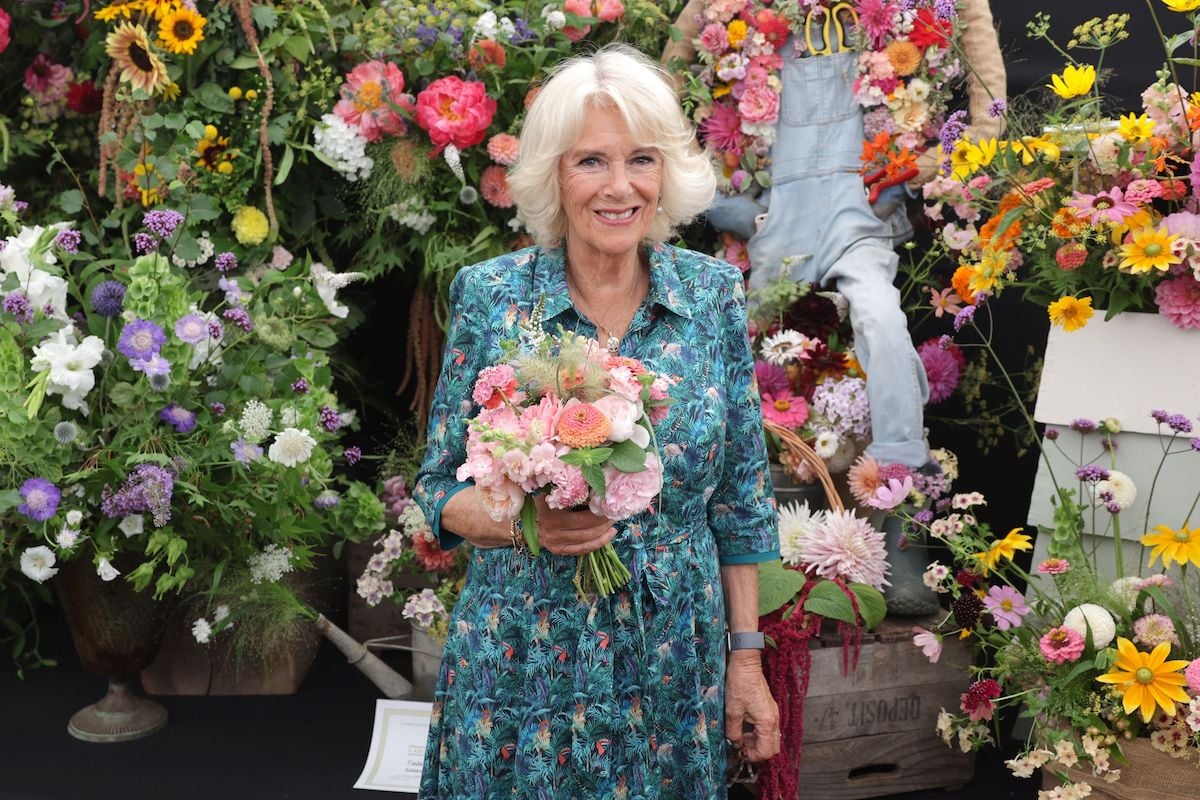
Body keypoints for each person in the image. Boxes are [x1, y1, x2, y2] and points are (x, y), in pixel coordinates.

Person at [413, 43, 782, 799]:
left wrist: (745, 661)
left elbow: (739, 501)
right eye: (591, 162)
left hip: (673, 658)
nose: (620, 188)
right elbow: (435, 491)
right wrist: (521, 522)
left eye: (641, 160)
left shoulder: (712, 295)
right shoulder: (492, 297)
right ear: (553, 173)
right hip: (523, 653)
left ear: (666, 172)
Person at [663, 0, 1007, 472]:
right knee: (740, 350)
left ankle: (899, 462)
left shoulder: (904, 9)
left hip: (860, 211)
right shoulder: (732, 10)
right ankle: (714, 475)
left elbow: (989, 114)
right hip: (776, 214)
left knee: (882, 319)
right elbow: (664, 96)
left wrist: (919, 168)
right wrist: (732, 209)